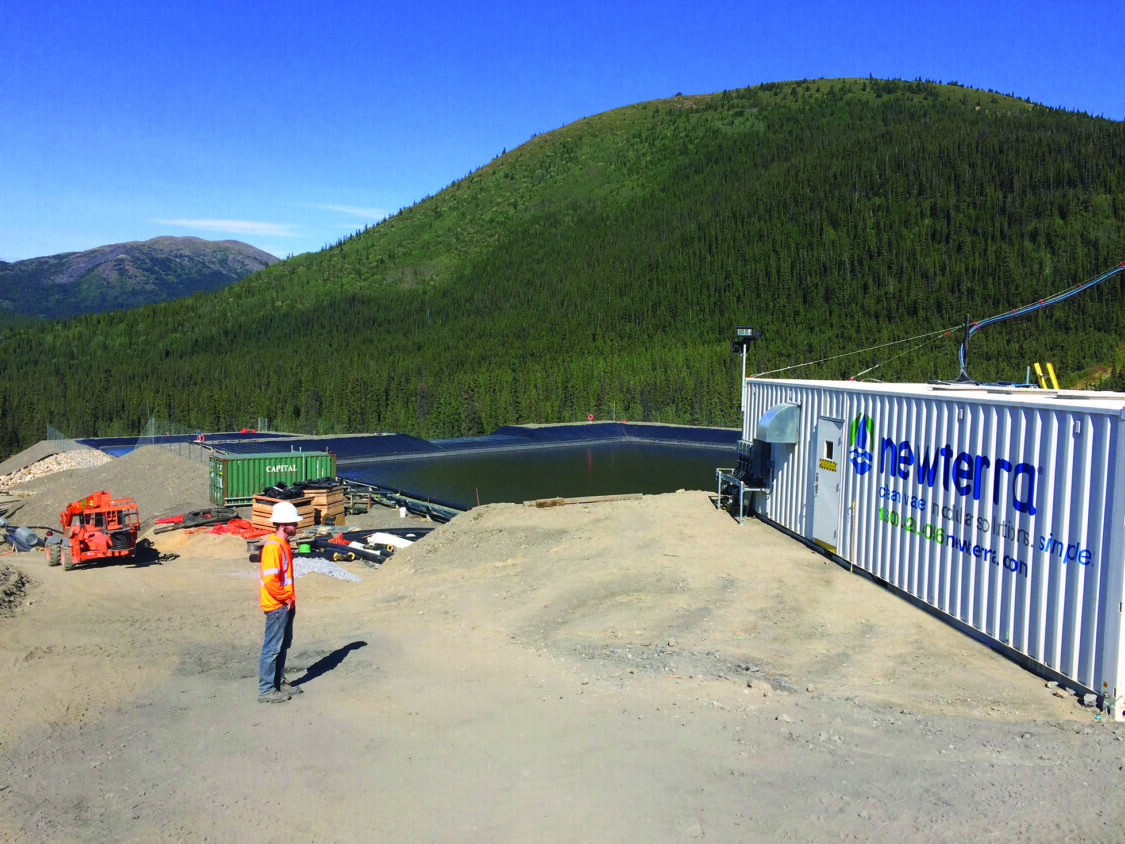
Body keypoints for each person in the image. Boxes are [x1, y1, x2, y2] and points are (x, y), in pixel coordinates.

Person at [257, 501, 303, 703]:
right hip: (277, 605)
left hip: (285, 604)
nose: (297, 525)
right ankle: (266, 689)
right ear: (284, 523)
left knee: (282, 646)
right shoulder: (273, 547)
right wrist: (285, 598)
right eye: (294, 521)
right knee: (272, 648)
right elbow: (270, 581)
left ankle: (278, 681)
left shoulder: (283, 544)